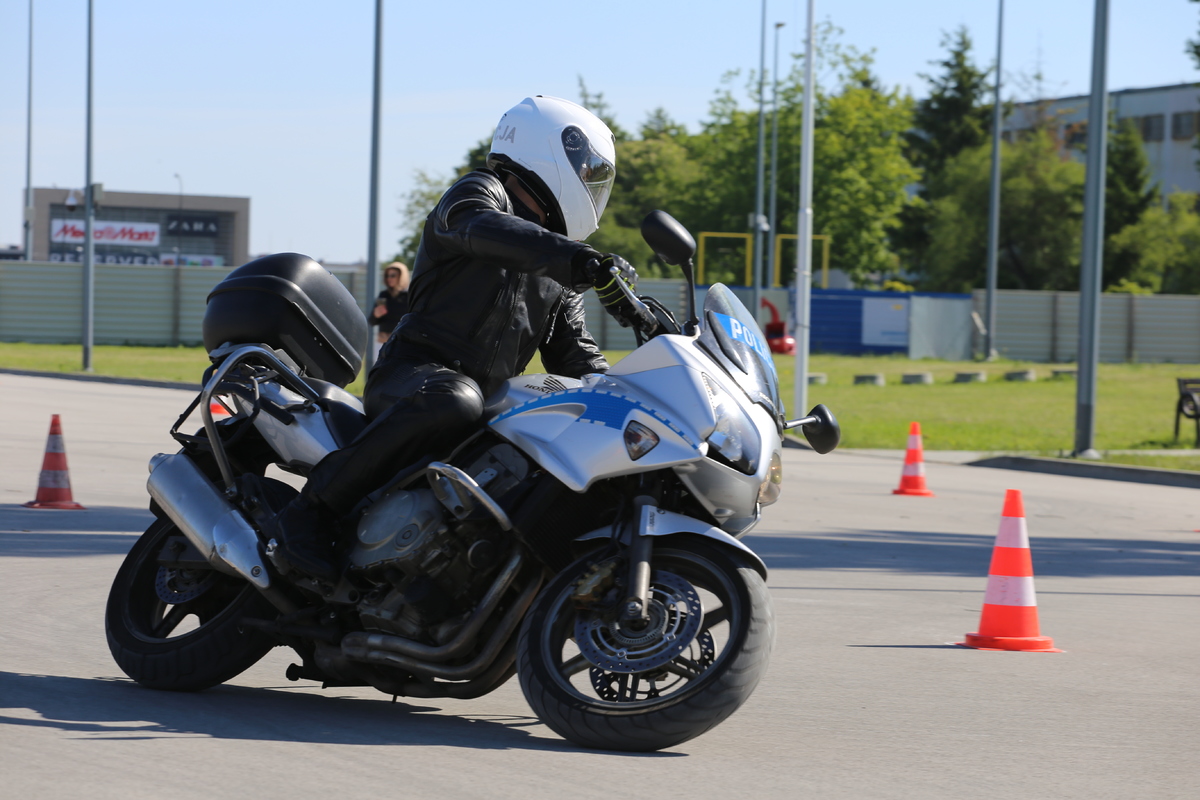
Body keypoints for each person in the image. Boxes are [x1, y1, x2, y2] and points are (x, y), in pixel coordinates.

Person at [272, 95, 646, 581]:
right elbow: (482, 228)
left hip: (480, 406)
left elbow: (575, 352)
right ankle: (310, 511)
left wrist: (633, 394)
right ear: (551, 152)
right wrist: (579, 260)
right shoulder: (478, 195)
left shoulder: (557, 267)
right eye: (586, 170)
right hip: (415, 375)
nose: (592, 185)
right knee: (455, 398)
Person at [369, 262, 410, 358]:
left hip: (402, 343)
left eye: (393, 275)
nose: (389, 278)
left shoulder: (409, 296)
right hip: (382, 342)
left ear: (402, 276)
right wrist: (376, 314)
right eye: (387, 275)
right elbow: (371, 321)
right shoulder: (384, 295)